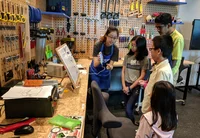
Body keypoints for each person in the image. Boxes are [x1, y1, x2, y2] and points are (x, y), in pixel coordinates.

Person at [141, 35, 173, 114]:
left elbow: (158, 99)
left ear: (158, 51)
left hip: (152, 113)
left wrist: (148, 116)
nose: (150, 51)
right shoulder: (158, 66)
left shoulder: (162, 71)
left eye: (151, 49)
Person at [121, 35, 149, 126]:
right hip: (126, 84)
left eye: (135, 45)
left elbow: (142, 75)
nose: (132, 47)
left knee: (129, 107)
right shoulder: (127, 56)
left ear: (140, 47)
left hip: (135, 86)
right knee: (126, 107)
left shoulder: (144, 59)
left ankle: (131, 123)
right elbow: (123, 71)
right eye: (131, 45)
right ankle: (128, 123)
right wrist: (124, 86)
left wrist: (130, 87)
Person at [89, 26, 119, 101]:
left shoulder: (115, 49)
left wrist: (110, 67)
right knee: (95, 96)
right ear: (106, 35)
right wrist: (99, 59)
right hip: (96, 72)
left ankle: (103, 110)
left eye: (115, 38)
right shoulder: (98, 45)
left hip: (105, 73)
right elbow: (95, 64)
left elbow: (111, 64)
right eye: (111, 37)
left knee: (104, 95)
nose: (112, 40)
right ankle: (95, 111)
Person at [155, 13, 184, 85]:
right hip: (161, 70)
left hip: (169, 73)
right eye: (156, 27)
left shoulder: (178, 38)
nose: (158, 30)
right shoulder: (164, 35)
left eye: (160, 27)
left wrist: (165, 72)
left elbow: (175, 60)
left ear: (168, 25)